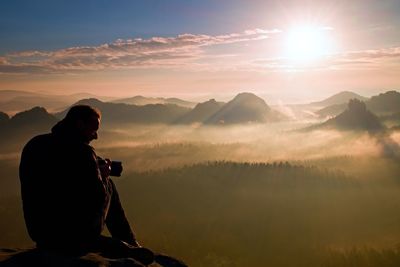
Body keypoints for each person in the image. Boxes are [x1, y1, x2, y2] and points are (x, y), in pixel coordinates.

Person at [19, 105, 186, 266]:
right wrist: (103, 176)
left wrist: (93, 171)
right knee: (109, 186)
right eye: (94, 128)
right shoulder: (83, 153)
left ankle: (120, 246)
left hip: (42, 234)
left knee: (80, 230)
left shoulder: (34, 145)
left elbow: (60, 185)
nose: (96, 136)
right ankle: (130, 244)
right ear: (79, 124)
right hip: (76, 238)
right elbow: (97, 197)